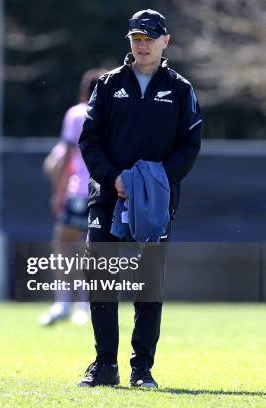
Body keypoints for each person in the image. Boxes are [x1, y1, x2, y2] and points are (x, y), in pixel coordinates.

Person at [77, 9, 202, 388]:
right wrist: (114, 178)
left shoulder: (181, 89)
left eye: (150, 38)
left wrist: (156, 180)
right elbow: (90, 140)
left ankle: (142, 368)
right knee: (101, 282)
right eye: (136, 38)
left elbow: (189, 145)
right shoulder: (108, 84)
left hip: (154, 206)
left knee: (147, 286)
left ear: (166, 42)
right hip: (107, 199)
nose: (142, 45)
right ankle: (104, 366)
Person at [38, 68, 106, 327]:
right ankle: (87, 305)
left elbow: (64, 157)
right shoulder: (115, 113)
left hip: (80, 191)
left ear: (83, 91)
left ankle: (65, 302)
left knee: (64, 244)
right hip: (108, 190)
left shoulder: (78, 113)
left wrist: (58, 192)